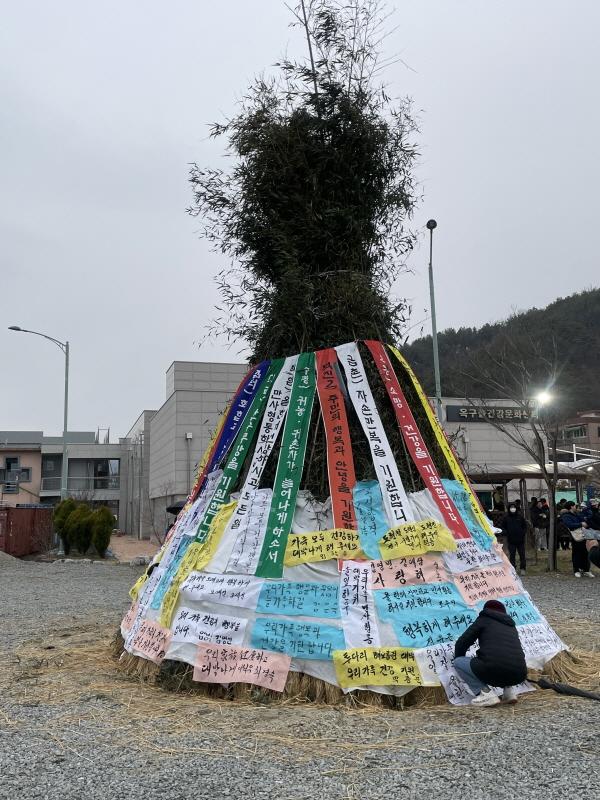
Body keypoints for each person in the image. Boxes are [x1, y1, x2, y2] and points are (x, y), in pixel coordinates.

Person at [453, 599, 528, 707]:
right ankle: (509, 692)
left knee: (459, 662)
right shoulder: (511, 625)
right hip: (520, 673)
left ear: (486, 610)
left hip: (493, 669)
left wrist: (459, 657)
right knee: (505, 660)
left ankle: (485, 694)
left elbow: (462, 642)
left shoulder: (484, 619)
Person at [562, 501, 594, 578]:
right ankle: (576, 570)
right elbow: (569, 525)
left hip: (583, 535)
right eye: (574, 506)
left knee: (585, 553)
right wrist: (580, 524)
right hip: (575, 537)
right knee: (576, 553)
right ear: (571, 507)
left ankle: (586, 570)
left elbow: (584, 520)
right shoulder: (566, 516)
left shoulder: (577, 514)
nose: (576, 507)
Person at [501, 504, 528, 575]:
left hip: (520, 540)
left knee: (522, 555)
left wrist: (523, 533)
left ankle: (523, 568)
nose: (513, 509)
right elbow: (503, 527)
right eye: (511, 507)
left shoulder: (520, 517)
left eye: (514, 507)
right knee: (512, 555)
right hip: (511, 540)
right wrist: (506, 533)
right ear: (509, 509)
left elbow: (525, 526)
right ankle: (513, 569)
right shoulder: (506, 518)